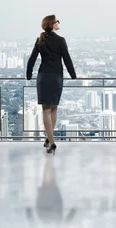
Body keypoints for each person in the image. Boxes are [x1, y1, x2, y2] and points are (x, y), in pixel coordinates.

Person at [26, 15, 77, 154]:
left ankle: (50, 141)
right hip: (56, 78)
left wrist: (28, 74)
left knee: (46, 110)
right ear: (51, 24)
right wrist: (73, 75)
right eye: (57, 21)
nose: (59, 23)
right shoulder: (60, 40)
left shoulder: (40, 40)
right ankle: (51, 141)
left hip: (43, 77)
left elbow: (31, 59)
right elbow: (67, 59)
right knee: (54, 109)